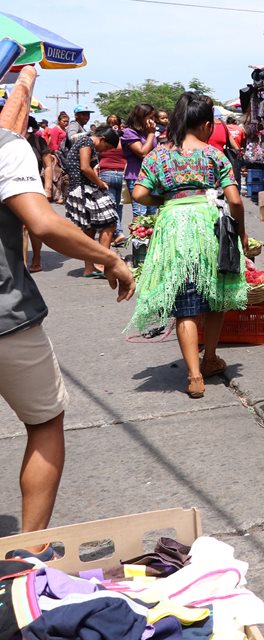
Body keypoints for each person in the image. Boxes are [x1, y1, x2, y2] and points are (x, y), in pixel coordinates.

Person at [0, 67, 134, 532]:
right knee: (45, 421)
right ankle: (28, 555)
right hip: (6, 318)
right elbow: (43, 223)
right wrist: (110, 260)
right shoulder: (7, 147)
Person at [130, 93, 248, 398]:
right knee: (216, 294)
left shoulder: (158, 155)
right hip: (209, 227)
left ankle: (194, 376)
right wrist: (241, 233)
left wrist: (165, 201)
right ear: (207, 124)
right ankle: (209, 358)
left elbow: (140, 193)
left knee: (186, 304)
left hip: (174, 229)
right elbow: (234, 200)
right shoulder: (214, 155)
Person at [63, 124, 120, 278]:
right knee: (110, 222)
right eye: (106, 146)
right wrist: (100, 183)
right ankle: (101, 264)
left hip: (79, 189)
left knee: (90, 228)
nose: (105, 151)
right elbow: (85, 167)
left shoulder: (85, 142)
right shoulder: (86, 142)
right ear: (102, 139)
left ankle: (89, 268)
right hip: (83, 189)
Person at [23, 117, 54, 272]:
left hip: (33, 187)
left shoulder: (38, 141)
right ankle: (20, 265)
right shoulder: (6, 140)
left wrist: (47, 188)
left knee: (32, 226)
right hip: (8, 188)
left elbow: (48, 166)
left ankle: (36, 258)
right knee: (18, 227)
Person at [120, 103, 159, 219]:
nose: (152, 121)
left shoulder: (146, 133)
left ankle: (150, 236)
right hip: (136, 176)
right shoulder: (129, 132)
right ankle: (137, 237)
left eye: (153, 118)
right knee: (140, 214)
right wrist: (151, 134)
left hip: (153, 177)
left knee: (151, 215)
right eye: (149, 117)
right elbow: (143, 153)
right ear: (140, 117)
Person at [98, 113, 128, 246]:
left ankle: (118, 232)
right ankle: (115, 233)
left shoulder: (104, 139)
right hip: (122, 173)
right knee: (118, 206)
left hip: (106, 173)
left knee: (110, 207)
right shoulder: (124, 138)